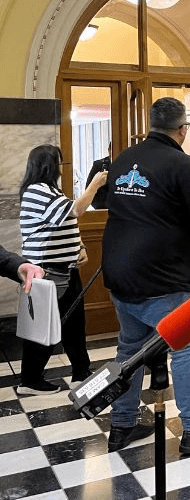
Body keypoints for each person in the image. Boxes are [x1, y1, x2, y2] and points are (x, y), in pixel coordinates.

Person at [102, 97, 190, 453]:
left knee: (129, 347)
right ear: (183, 129)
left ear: (151, 124)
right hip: (165, 276)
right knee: (185, 349)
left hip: (121, 272)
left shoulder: (124, 159)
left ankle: (122, 424)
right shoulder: (184, 166)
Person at [17, 144, 107, 395]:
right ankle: (30, 380)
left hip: (63, 269)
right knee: (43, 327)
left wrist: (80, 246)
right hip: (47, 272)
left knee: (74, 325)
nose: (62, 167)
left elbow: (65, 221)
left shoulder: (50, 190)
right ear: (48, 166)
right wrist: (95, 184)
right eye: (59, 162)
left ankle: (81, 372)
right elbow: (76, 210)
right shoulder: (37, 191)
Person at [85, 141, 112, 209]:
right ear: (109, 149)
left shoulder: (125, 164)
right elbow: (88, 187)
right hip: (101, 205)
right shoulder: (99, 164)